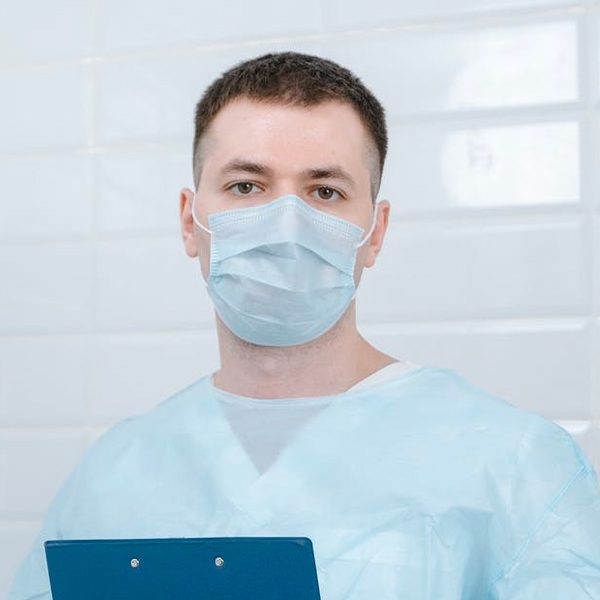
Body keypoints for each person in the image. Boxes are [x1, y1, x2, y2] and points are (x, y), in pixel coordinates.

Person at [9, 51, 600, 599]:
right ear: (190, 222)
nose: (285, 224)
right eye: (246, 186)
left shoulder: (514, 464)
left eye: (325, 191)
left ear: (375, 233)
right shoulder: (115, 473)